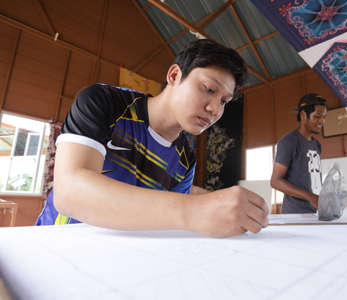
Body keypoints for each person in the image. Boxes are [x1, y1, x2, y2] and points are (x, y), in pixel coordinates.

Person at [36, 39, 268, 237]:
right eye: (208, 89)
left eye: (224, 101)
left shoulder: (185, 160)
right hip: (56, 245)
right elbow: (70, 193)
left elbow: (163, 226)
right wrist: (192, 210)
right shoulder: (104, 102)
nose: (215, 109)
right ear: (174, 75)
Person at [270, 93, 327, 213]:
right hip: (295, 214)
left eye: (324, 117)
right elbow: (275, 181)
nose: (322, 121)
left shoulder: (316, 145)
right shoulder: (288, 142)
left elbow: (312, 180)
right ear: (303, 115)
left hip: (315, 212)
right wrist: (310, 197)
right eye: (317, 117)